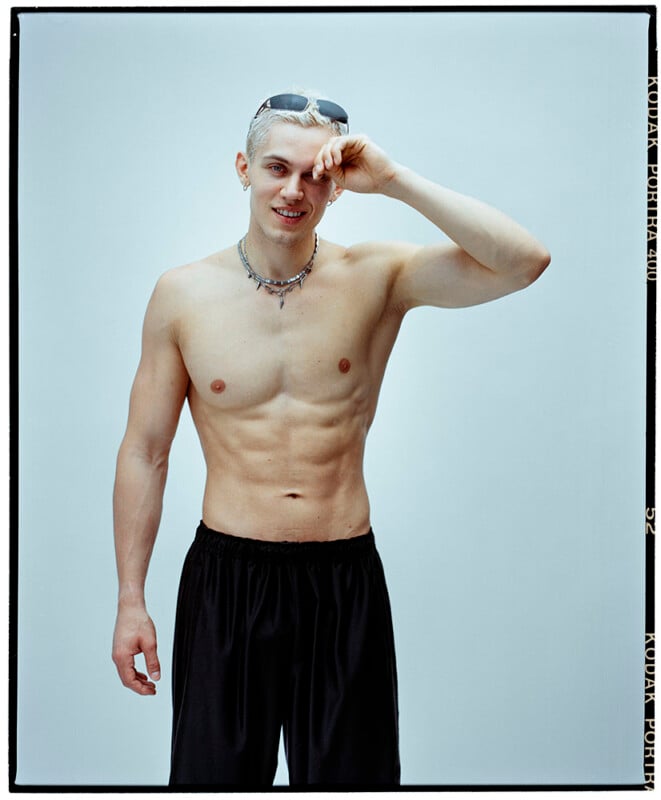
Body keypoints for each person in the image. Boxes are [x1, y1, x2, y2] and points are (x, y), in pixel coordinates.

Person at [111, 91, 550, 788]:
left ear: (336, 184)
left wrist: (395, 179)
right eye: (275, 168)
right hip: (226, 580)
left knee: (354, 784)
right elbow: (145, 450)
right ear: (242, 168)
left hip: (342, 578)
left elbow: (522, 261)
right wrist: (130, 599)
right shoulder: (182, 294)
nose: (294, 190)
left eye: (314, 174)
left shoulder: (376, 277)